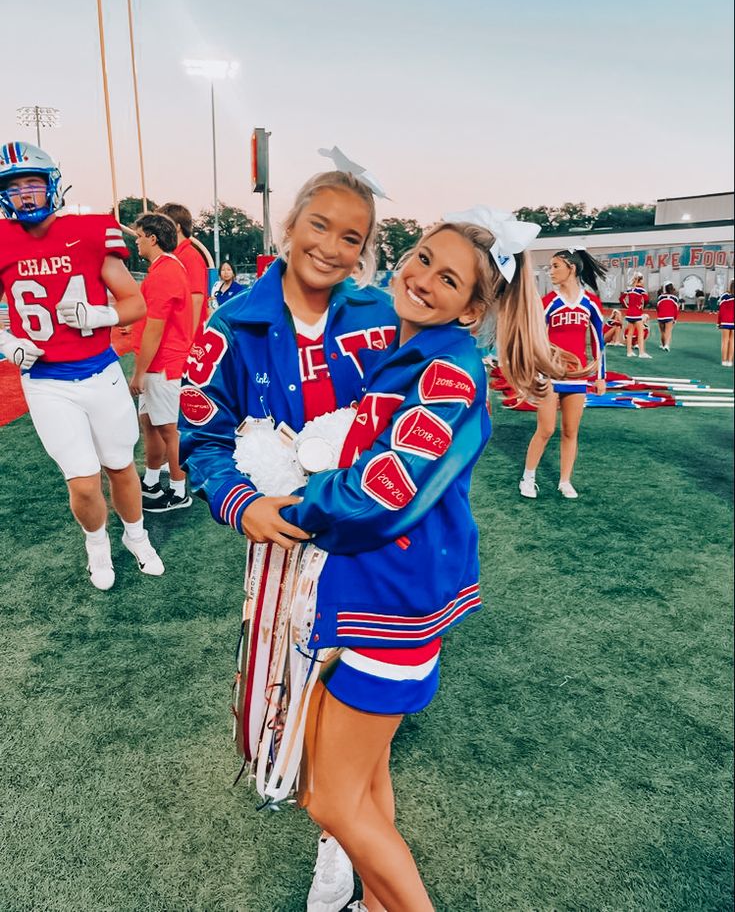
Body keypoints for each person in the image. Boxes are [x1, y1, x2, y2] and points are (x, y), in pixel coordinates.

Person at [273, 211, 568, 911]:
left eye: (447, 277)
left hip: (393, 599)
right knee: (366, 781)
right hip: (380, 588)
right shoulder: (414, 350)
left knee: (329, 801)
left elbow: (387, 485)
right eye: (420, 257)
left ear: (472, 307)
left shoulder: (446, 369)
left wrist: (291, 502)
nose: (421, 279)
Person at [178, 164, 400, 912]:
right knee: (294, 697)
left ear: (366, 250)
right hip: (282, 545)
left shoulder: (382, 314)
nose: (333, 247)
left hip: (370, 542)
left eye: (352, 237)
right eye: (320, 226)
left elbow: (420, 410)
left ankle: (340, 846)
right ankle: (338, 829)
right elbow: (200, 434)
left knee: (358, 696)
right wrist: (240, 503)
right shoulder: (231, 322)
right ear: (289, 225)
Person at [0, 140, 164, 590]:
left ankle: (136, 536)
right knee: (84, 482)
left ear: (52, 183)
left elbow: (135, 303)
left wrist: (102, 315)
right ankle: (97, 547)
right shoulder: (1, 240)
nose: (26, 195)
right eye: (14, 188)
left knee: (120, 466)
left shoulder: (91, 230)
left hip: (100, 370)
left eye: (32, 183)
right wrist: (7, 340)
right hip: (46, 380)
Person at [520, 248, 606, 500]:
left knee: (570, 431)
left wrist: (600, 376)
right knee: (545, 429)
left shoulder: (590, 302)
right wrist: (536, 372)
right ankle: (528, 477)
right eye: (550, 266)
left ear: (572, 267)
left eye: (555, 266)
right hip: (549, 376)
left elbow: (598, 341)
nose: (551, 271)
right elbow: (536, 340)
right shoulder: (548, 302)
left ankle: (565, 480)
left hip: (577, 377)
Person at [130, 212, 194, 512]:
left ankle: (179, 491)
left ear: (153, 238)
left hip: (164, 364)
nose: (137, 242)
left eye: (139, 236)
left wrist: (139, 373)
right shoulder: (166, 269)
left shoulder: (165, 271)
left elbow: (157, 328)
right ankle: (153, 483)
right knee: (151, 426)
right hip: (162, 361)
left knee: (169, 429)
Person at [155, 203, 208, 335]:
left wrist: (188, 338)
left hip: (186, 338)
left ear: (177, 227)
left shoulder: (189, 256)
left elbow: (196, 299)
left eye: (163, 225)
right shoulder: (174, 255)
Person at [620, 272, 651, 358]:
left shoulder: (629, 289)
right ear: (640, 280)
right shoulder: (641, 289)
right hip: (637, 313)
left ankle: (629, 352)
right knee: (641, 332)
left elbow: (621, 299)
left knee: (630, 333)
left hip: (629, 313)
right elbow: (647, 299)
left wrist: (627, 306)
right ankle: (641, 353)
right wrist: (641, 307)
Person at [656, 282, 680, 351]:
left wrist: (659, 314)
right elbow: (676, 309)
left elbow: (658, 307)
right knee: (668, 331)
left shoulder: (660, 297)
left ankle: (663, 345)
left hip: (660, 316)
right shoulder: (675, 298)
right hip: (669, 316)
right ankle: (667, 345)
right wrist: (675, 319)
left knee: (662, 332)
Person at [717, 279, 734, 366]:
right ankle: (730, 361)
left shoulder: (724, 295)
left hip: (725, 321)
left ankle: (724, 361)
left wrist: (718, 322)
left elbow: (721, 310)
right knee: (732, 341)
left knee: (725, 341)